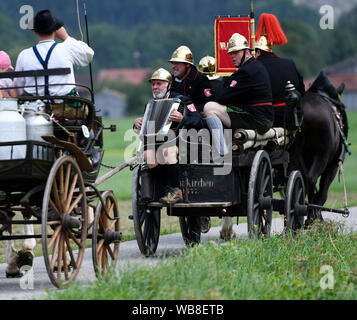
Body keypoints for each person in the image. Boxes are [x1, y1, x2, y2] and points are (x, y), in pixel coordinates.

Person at [134, 68, 203, 204]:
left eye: (159, 84)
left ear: (169, 85)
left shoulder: (183, 101)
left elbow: (198, 121)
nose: (155, 87)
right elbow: (146, 129)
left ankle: (177, 191)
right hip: (155, 143)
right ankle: (164, 188)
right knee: (148, 155)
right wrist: (137, 123)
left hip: (181, 143)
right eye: (153, 84)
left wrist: (182, 118)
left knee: (166, 151)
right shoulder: (150, 104)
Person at [202, 33, 273, 156]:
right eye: (231, 53)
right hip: (261, 116)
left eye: (236, 53)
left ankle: (222, 152)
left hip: (257, 119)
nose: (232, 57)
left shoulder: (246, 71)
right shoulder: (255, 66)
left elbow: (224, 98)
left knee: (209, 108)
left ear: (246, 52)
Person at [14, 9, 94, 98]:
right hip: (65, 106)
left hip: (33, 107)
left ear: (36, 32)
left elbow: (18, 87)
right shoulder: (67, 48)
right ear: (56, 30)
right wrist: (66, 37)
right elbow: (88, 55)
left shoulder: (24, 55)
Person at [255, 37, 305, 129]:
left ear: (258, 52)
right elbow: (301, 91)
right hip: (293, 117)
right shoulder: (290, 63)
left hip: (269, 120)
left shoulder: (255, 67)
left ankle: (227, 143)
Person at [169, 45, 214, 112]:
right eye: (173, 63)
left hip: (196, 119)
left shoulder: (201, 79)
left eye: (177, 63)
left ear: (187, 65)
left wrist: (185, 111)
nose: (173, 66)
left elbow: (207, 105)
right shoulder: (170, 80)